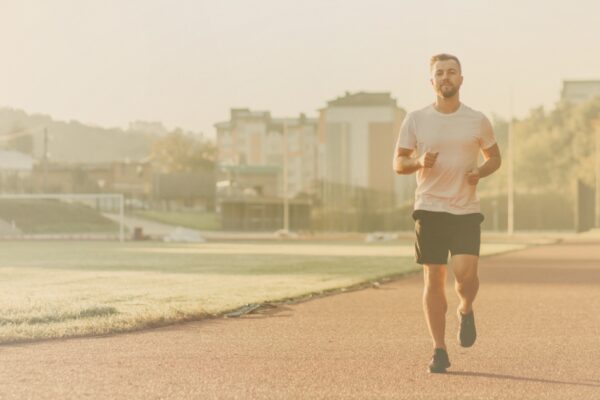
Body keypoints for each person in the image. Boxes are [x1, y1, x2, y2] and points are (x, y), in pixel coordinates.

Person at [393, 53, 502, 373]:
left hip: (466, 208)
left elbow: (495, 158)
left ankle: (466, 309)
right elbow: (398, 163)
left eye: (451, 72)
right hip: (429, 207)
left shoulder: (477, 119)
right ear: (431, 82)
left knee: (466, 276)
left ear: (461, 79)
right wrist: (418, 162)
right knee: (434, 277)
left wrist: (479, 173)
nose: (445, 77)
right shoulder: (416, 119)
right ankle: (439, 350)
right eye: (439, 73)